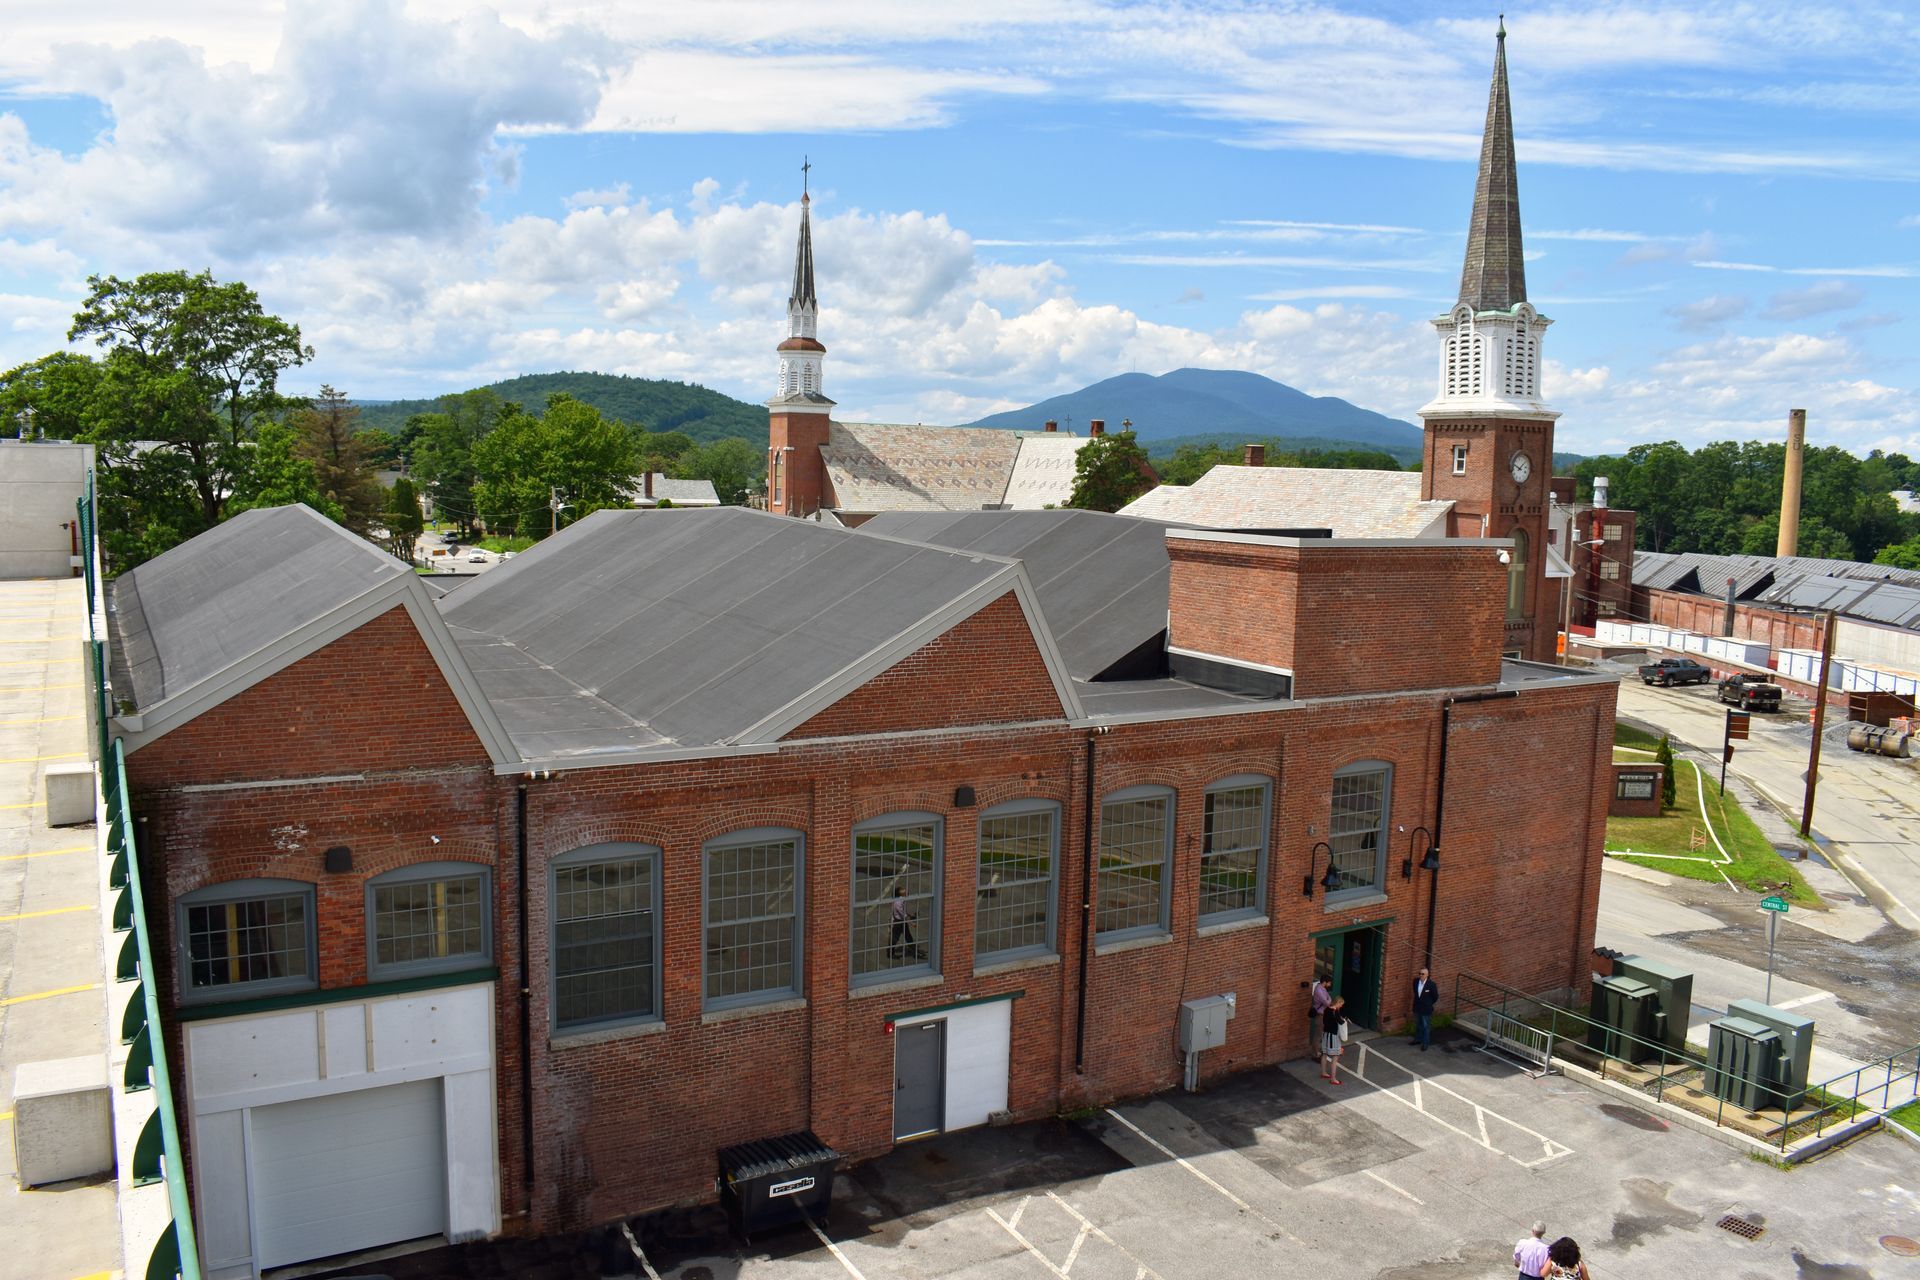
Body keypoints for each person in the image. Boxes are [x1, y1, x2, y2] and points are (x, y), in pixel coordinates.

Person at [1320, 995, 1347, 1085]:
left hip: (1325, 1034)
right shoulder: (1335, 1012)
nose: (1341, 1006)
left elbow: (1324, 1022)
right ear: (1338, 1003)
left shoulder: (1326, 1009)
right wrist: (1345, 1019)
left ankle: (1323, 1073)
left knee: (1324, 1054)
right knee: (1335, 1057)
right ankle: (1333, 1079)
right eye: (1341, 1004)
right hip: (1333, 1036)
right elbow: (1341, 1022)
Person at [1412, 966, 1440, 1051]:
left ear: (1427, 975)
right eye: (1419, 973)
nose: (1421, 975)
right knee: (1418, 1025)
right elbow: (1416, 993)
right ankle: (1418, 1039)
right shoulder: (1416, 981)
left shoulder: (1431, 984)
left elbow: (1435, 996)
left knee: (1426, 1026)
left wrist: (1428, 1003)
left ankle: (1425, 1043)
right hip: (1418, 1007)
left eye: (1423, 974)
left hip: (1426, 1009)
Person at [889, 884, 915, 958]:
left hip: (901, 920)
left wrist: (909, 915)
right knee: (895, 938)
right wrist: (911, 923)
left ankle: (912, 949)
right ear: (899, 894)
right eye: (903, 890)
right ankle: (891, 953)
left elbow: (903, 912)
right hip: (898, 922)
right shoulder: (898, 902)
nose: (905, 891)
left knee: (908, 936)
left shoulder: (901, 900)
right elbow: (902, 914)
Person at [1310, 975, 1333, 1054]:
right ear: (1325, 982)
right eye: (1329, 983)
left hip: (1323, 1014)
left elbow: (1329, 998)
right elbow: (1327, 1002)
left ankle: (1317, 1051)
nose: (1330, 985)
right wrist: (1328, 1000)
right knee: (1318, 1035)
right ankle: (1315, 1053)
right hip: (1320, 1015)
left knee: (1320, 1034)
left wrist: (1328, 1000)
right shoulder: (1319, 990)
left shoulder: (1322, 988)